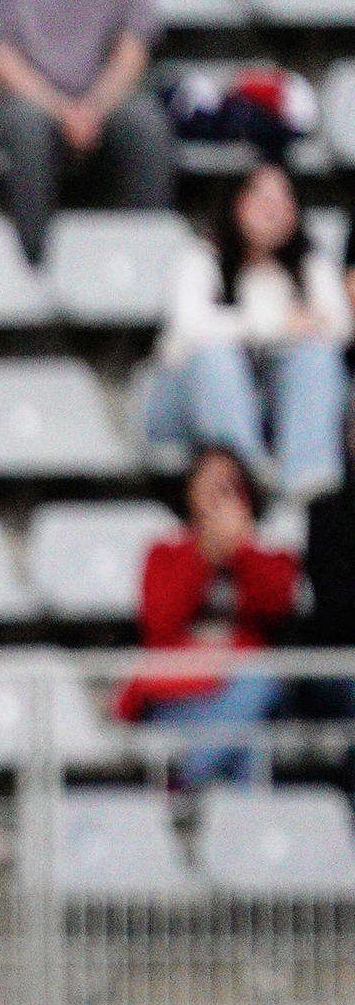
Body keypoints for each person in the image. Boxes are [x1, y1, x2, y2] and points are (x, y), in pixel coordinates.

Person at [145, 162, 350, 506]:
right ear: (236, 202)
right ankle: (248, 483)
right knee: (216, 356)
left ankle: (306, 481)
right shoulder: (200, 256)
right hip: (183, 403)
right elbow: (190, 327)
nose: (272, 209)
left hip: (263, 404)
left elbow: (339, 324)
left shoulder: (308, 264)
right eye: (261, 197)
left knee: (318, 355)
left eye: (284, 200)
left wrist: (291, 330)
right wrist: (277, 323)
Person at [115, 446, 295, 785]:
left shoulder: (269, 555)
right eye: (209, 483)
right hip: (177, 694)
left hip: (237, 689)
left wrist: (240, 550)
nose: (218, 494)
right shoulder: (166, 553)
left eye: (229, 485)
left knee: (258, 690)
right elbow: (160, 626)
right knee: (247, 737)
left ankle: (190, 775)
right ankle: (201, 780)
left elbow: (276, 610)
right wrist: (205, 553)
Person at [0, 0, 174, 263]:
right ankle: (33, 267)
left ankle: (146, 264)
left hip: (104, 97)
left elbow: (134, 46)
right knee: (29, 129)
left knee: (148, 128)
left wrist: (95, 106)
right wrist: (62, 110)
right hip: (25, 98)